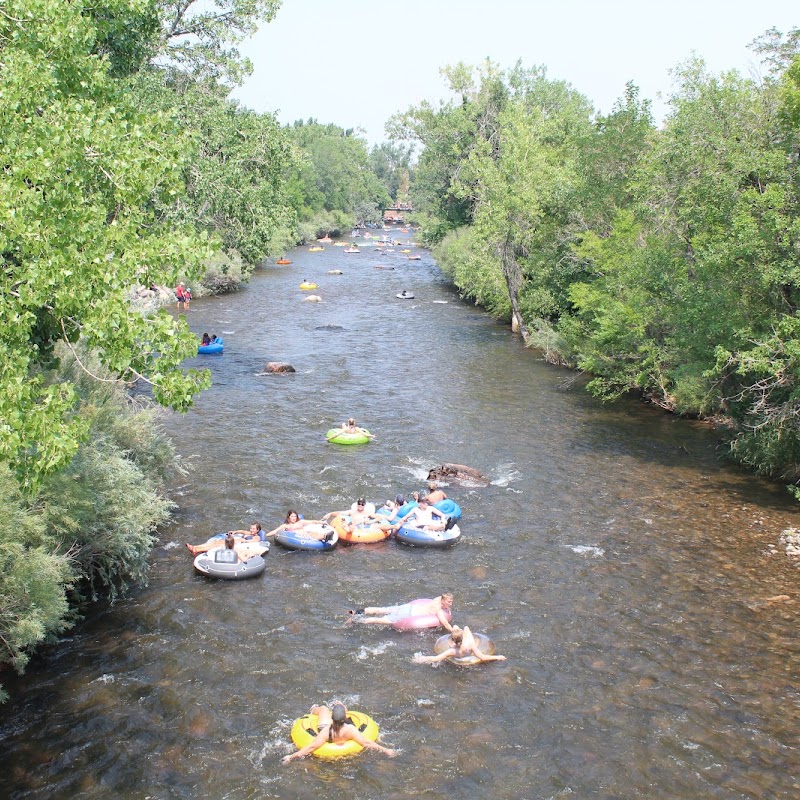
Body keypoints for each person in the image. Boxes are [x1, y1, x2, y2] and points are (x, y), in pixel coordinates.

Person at [282, 702, 396, 763]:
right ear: (345, 719)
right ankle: (340, 705)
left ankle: (314, 709)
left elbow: (311, 747)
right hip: (342, 728)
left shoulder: (327, 731)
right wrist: (386, 750)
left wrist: (291, 757)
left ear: (332, 719)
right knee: (342, 707)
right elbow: (367, 743)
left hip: (327, 728)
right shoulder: (350, 729)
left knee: (323, 709)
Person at [348, 593, 454, 631]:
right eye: (449, 602)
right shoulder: (438, 610)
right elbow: (445, 623)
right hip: (407, 614)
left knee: (381, 609)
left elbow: (444, 604)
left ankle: (354, 612)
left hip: (407, 607)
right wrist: (454, 631)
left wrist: (447, 607)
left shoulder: (438, 598)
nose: (451, 604)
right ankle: (356, 621)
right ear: (443, 601)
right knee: (381, 620)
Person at [413, 626, 507, 664]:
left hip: (458, 649)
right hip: (467, 648)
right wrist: (498, 657)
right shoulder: (470, 645)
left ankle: (456, 629)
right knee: (466, 627)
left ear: (452, 641)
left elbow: (435, 658)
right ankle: (460, 630)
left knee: (455, 627)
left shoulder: (452, 651)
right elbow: (483, 657)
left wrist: (421, 659)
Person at [322, 498, 393, 535]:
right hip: (355, 527)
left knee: (379, 526)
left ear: (364, 505)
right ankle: (348, 529)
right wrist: (330, 514)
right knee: (350, 526)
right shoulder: (352, 512)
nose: (360, 505)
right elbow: (339, 513)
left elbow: (379, 518)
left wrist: (371, 521)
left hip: (365, 527)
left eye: (362, 504)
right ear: (357, 504)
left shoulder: (367, 513)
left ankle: (394, 526)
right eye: (359, 504)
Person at [186, 522, 264, 554]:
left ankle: (196, 550)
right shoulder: (248, 533)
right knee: (215, 542)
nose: (251, 530)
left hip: (237, 544)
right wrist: (234, 532)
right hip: (234, 541)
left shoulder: (257, 537)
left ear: (258, 530)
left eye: (253, 529)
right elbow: (242, 531)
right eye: (251, 528)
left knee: (217, 546)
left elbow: (252, 542)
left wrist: (244, 541)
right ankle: (195, 546)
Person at [265, 510, 332, 541]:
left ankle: (326, 536)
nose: (294, 518)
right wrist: (265, 536)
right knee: (312, 536)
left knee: (313, 533)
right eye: (292, 516)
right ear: (288, 517)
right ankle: (325, 537)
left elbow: (312, 521)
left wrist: (322, 522)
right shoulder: (286, 526)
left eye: (295, 516)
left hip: (306, 534)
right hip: (299, 538)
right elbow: (275, 531)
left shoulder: (301, 522)